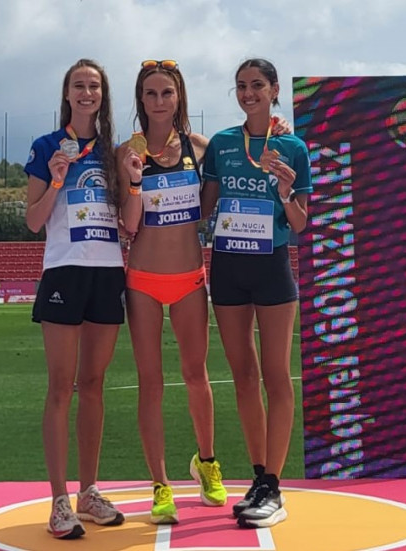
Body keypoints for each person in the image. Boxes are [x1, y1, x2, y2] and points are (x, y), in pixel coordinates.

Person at [200, 58, 310, 529]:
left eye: (257, 85)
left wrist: (285, 191)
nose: (249, 93)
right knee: (243, 377)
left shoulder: (294, 146)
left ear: (274, 89)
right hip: (227, 265)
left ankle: (274, 486)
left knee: (276, 376)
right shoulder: (223, 143)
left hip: (272, 267)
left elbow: (301, 223)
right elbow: (203, 205)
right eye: (242, 86)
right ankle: (259, 476)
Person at [118, 59, 226, 524]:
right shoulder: (127, 152)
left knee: (196, 375)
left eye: (167, 93)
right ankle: (160, 484)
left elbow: (208, 207)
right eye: (150, 94)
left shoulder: (202, 149)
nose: (159, 101)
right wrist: (137, 180)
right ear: (140, 100)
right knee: (151, 383)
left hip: (188, 279)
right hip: (142, 279)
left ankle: (206, 463)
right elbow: (129, 222)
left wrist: (277, 126)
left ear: (179, 96)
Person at [24, 58, 126, 540]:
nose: (87, 93)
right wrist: (58, 179)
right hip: (63, 270)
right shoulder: (47, 147)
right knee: (61, 386)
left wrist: (133, 176)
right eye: (79, 86)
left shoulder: (112, 151)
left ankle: (88, 492)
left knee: (94, 383)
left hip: (108, 273)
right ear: (67, 93)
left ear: (102, 96)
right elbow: (33, 220)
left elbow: (129, 221)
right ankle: (59, 500)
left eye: (95, 87)